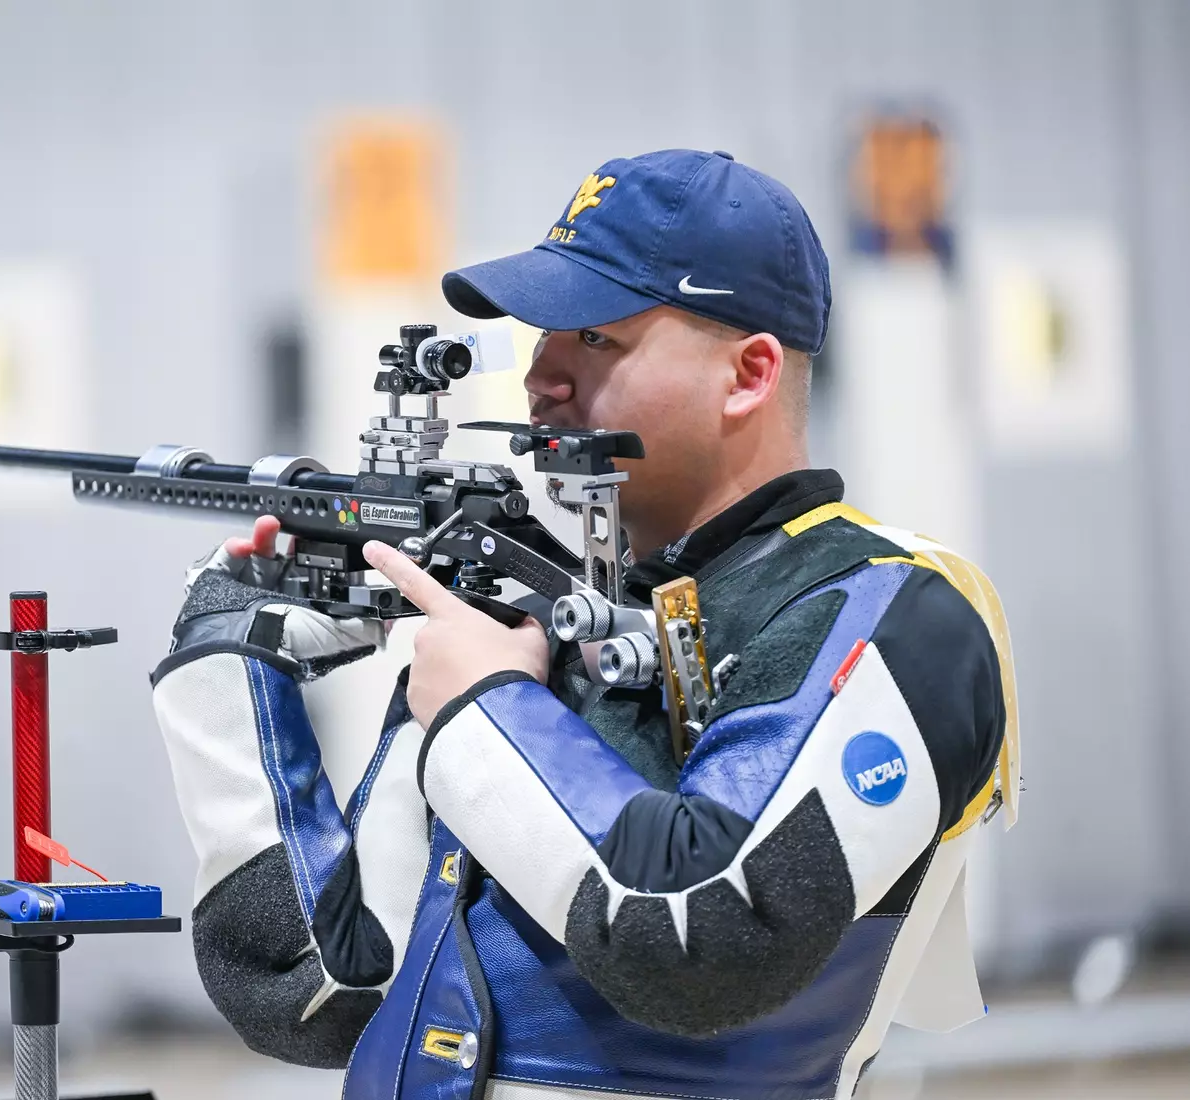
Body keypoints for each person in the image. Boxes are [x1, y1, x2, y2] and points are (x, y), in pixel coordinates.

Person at [149, 149, 1019, 1100]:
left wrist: (488, 707)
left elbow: (699, 939)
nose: (541, 377)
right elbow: (321, 996)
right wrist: (228, 663)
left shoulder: (889, 612)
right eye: (540, 337)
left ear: (749, 373)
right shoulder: (534, 624)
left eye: (596, 340)